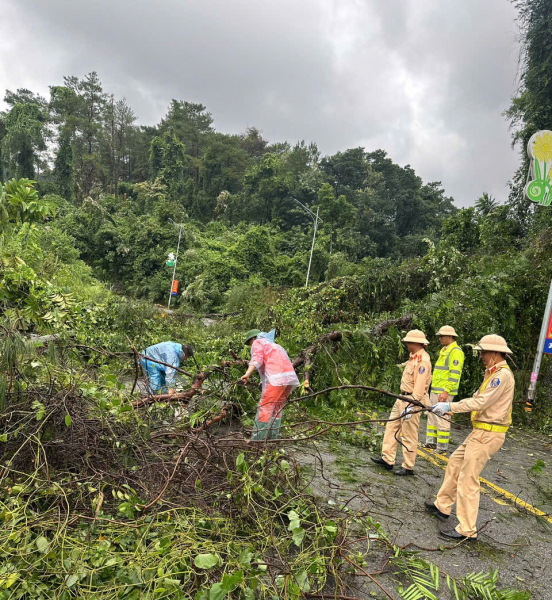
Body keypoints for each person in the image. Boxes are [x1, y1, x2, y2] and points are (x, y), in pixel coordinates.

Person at [425, 335, 515, 540]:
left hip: (489, 433)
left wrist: (450, 406)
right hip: (481, 431)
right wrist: (449, 409)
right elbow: (476, 397)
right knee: (455, 463)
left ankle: (467, 529)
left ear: (494, 353)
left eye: (484, 352)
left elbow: (481, 402)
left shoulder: (503, 376)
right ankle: (443, 505)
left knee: (468, 478)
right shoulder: (492, 373)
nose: (481, 356)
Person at [371, 329, 432, 476]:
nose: (406, 344)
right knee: (391, 427)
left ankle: (408, 466)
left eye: (409, 342)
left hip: (411, 400)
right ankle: (387, 459)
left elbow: (419, 386)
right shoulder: (413, 358)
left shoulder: (423, 361)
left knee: (409, 434)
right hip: (401, 397)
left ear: (416, 343)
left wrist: (412, 405)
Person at [240, 329, 299, 441]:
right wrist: (267, 379)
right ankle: (272, 439)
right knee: (276, 407)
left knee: (265, 407)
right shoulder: (273, 345)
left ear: (253, 338)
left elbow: (257, 359)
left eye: (250, 343)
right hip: (288, 378)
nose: (250, 345)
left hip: (276, 379)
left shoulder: (258, 342)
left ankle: (258, 441)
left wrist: (247, 374)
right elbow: (276, 363)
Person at [424, 326, 465, 453]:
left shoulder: (455, 352)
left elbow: (454, 374)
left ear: (450, 337)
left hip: (444, 392)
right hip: (436, 389)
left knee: (442, 417)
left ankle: (442, 447)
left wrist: (446, 391)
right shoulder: (445, 350)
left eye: (442, 336)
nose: (440, 338)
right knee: (432, 416)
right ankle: (431, 442)